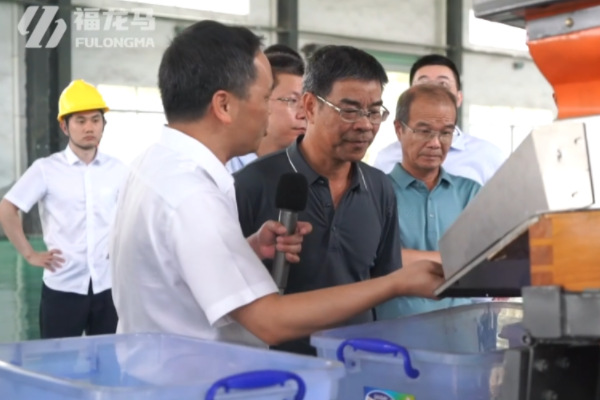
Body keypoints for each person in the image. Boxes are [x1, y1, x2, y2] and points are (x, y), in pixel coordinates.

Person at [110, 21, 444, 349]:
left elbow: (184, 273)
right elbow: (269, 321)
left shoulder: (154, 165)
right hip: (194, 374)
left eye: (373, 112)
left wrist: (248, 249)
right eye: (266, 97)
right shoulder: (194, 196)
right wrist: (395, 284)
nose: (273, 114)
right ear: (224, 105)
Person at [234, 45, 405, 355]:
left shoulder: (380, 188)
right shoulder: (251, 184)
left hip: (359, 363)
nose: (365, 125)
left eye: (374, 111)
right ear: (310, 106)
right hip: (280, 370)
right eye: (350, 111)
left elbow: (384, 284)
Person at [0, 80, 126, 339]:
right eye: (80, 121)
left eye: (95, 120)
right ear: (64, 126)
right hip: (63, 287)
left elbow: (130, 215)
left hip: (107, 286)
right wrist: (29, 254)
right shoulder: (46, 170)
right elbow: (7, 208)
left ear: (104, 124)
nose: (89, 127)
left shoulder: (118, 170)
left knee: (108, 357)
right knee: (56, 357)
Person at [375, 84, 480, 319]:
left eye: (445, 133)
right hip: (394, 333)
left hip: (462, 332)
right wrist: (453, 262)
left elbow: (484, 263)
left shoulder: (470, 193)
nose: (435, 143)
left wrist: (402, 258)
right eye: (424, 131)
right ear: (399, 129)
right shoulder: (376, 192)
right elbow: (372, 259)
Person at [374, 54, 506, 185]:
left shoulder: (488, 156)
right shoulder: (386, 158)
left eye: (443, 84)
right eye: (423, 85)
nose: (434, 92)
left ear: (459, 98)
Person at [226, 45, 306, 173]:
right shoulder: (225, 167)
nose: (305, 115)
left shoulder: (310, 172)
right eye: (292, 100)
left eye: (309, 104)